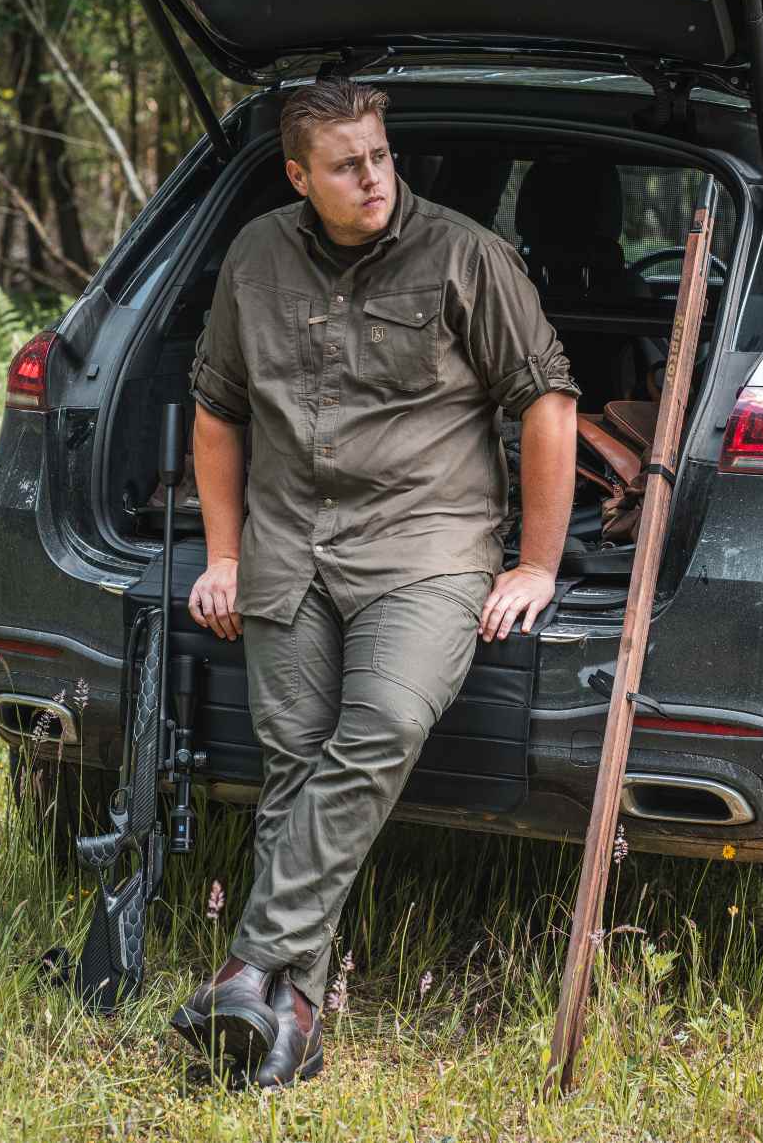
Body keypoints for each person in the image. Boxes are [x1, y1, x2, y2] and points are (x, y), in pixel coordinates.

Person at [172, 77, 579, 1088]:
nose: (372, 178)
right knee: (293, 762)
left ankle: (247, 962)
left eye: (381, 157)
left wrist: (534, 560)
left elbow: (547, 403)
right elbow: (217, 411)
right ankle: (292, 1020)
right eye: (347, 164)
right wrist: (222, 554)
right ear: (299, 174)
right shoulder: (255, 256)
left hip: (426, 542)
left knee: (385, 722)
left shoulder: (466, 256)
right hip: (287, 543)